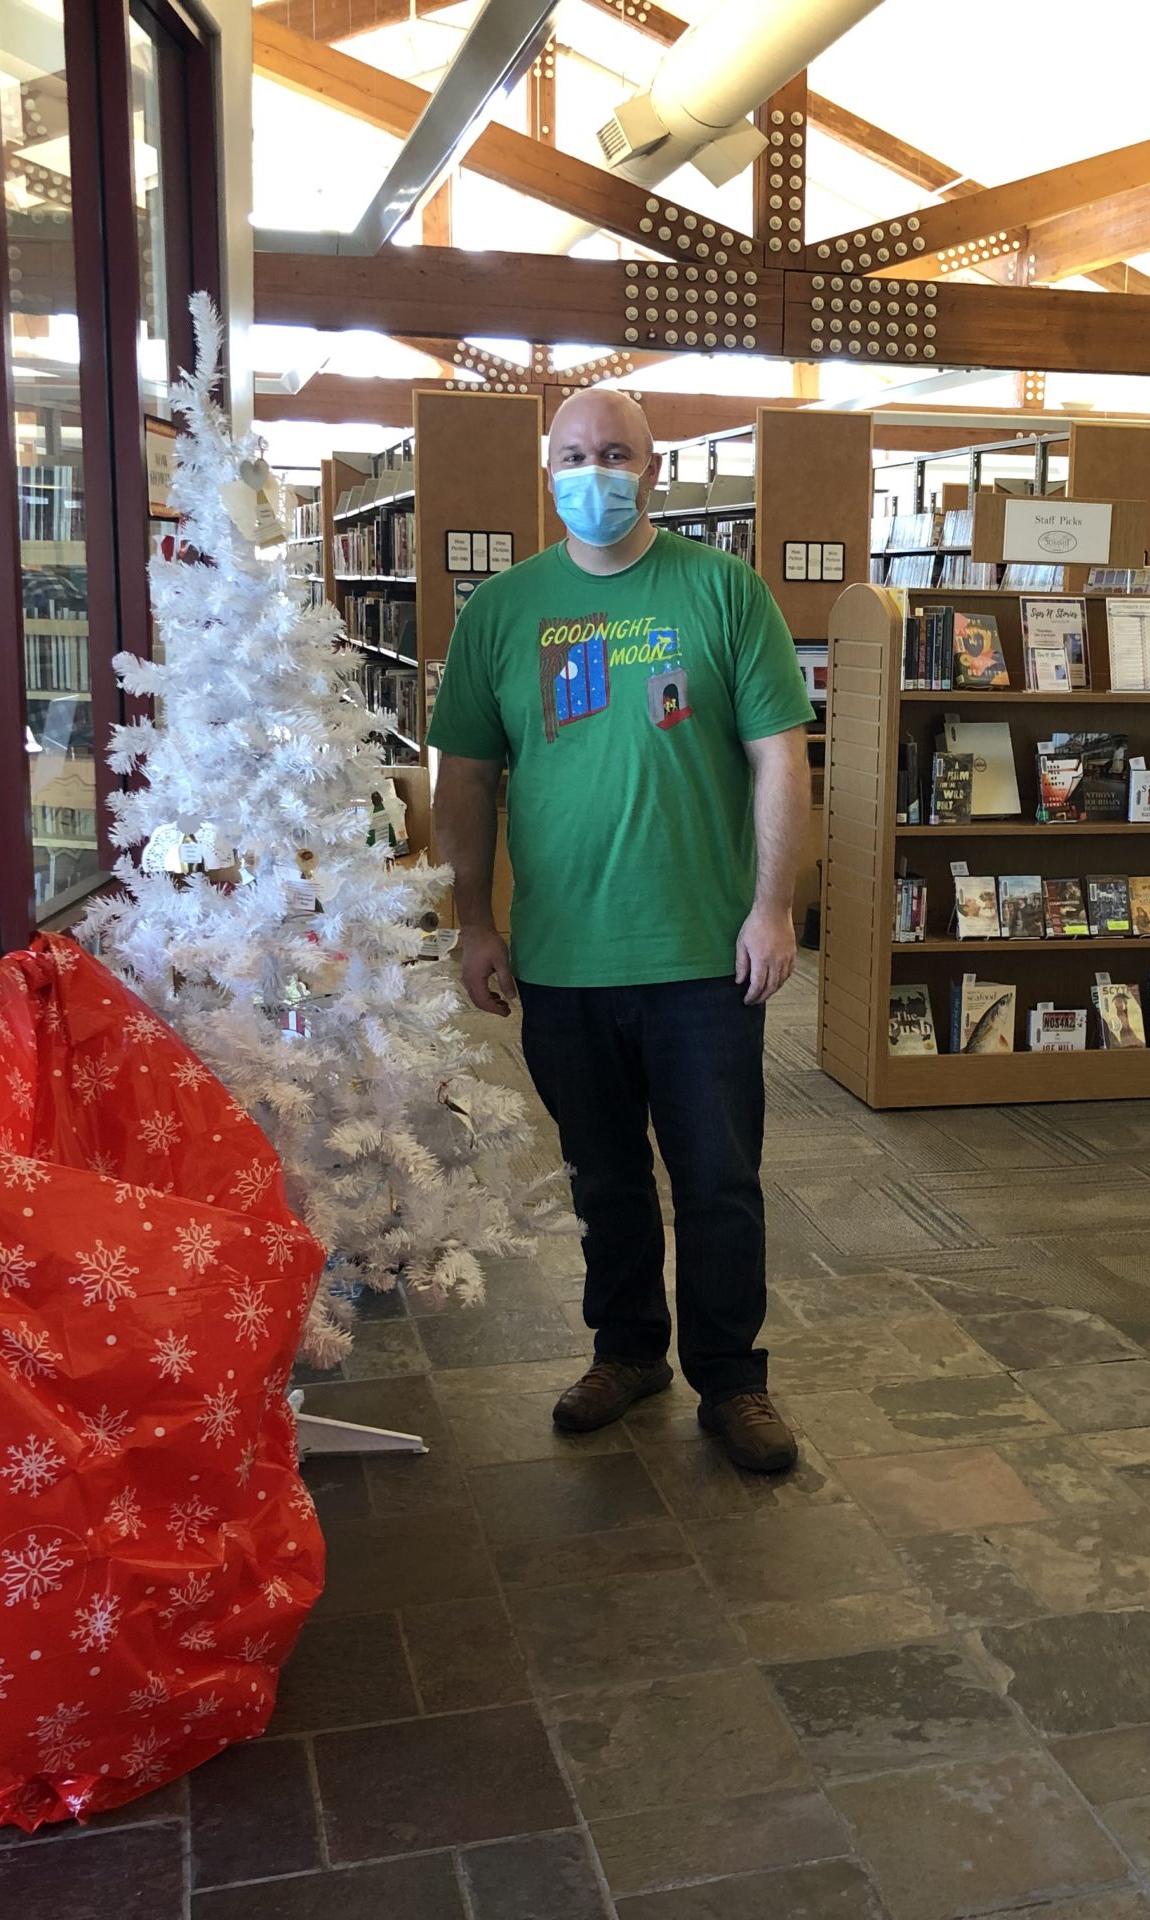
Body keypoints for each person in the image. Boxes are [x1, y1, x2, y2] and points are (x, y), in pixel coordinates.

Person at [427, 388, 813, 1473]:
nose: (594, 473)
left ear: (654, 466)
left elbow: (779, 756)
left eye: (615, 454)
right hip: (563, 958)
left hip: (702, 955)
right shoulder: (502, 611)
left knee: (719, 1181)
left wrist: (772, 905)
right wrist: (472, 921)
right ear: (546, 470)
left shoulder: (723, 591)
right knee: (602, 1178)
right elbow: (467, 777)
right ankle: (628, 1349)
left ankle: (734, 1379)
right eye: (573, 456)